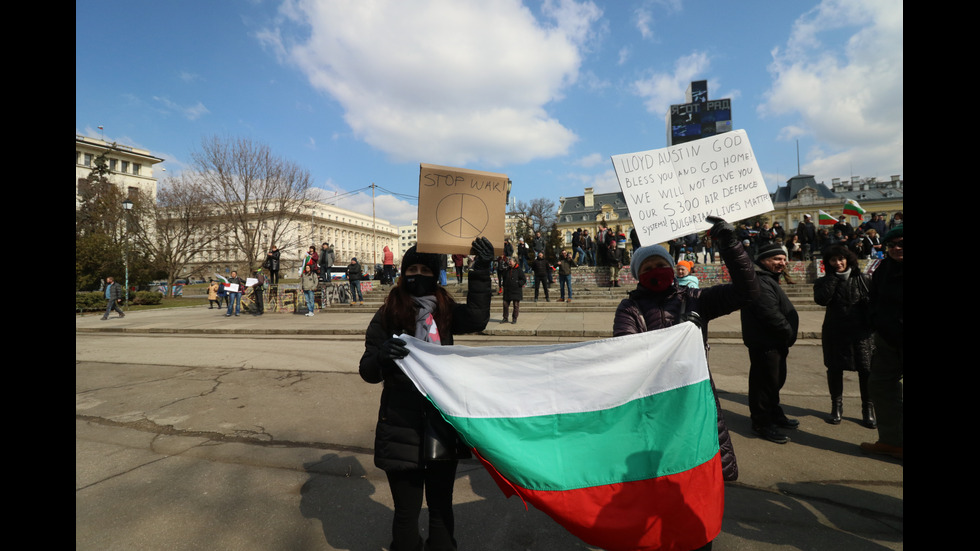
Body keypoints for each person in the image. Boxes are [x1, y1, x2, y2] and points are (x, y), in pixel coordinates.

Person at [358, 238, 493, 551]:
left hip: (440, 425)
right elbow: (367, 370)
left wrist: (481, 269)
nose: (417, 275)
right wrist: (381, 356)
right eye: (412, 269)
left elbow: (477, 317)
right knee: (406, 512)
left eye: (425, 269)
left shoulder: (444, 310)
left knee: (440, 508)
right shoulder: (387, 313)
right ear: (403, 273)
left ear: (436, 275)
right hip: (400, 424)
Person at [614, 216, 758, 484]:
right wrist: (673, 340)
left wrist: (730, 244)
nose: (656, 270)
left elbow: (747, 291)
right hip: (655, 400)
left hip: (695, 394)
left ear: (671, 267)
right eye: (648, 268)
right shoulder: (629, 309)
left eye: (660, 265)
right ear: (637, 276)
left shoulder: (695, 299)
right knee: (662, 471)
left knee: (701, 472)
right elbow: (626, 352)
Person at [741, 243, 800, 444]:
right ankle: (762, 423)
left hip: (774, 342)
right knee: (763, 385)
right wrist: (788, 332)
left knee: (774, 382)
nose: (781, 263)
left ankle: (774, 414)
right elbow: (769, 313)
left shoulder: (768, 279)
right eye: (776, 259)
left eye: (783, 259)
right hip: (765, 342)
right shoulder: (759, 281)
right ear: (763, 260)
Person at [814, 243, 875, 428]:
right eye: (833, 260)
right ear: (828, 263)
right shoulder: (823, 281)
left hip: (862, 333)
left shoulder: (863, 279)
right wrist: (833, 278)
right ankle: (837, 408)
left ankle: (868, 410)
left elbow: (874, 302)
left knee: (866, 371)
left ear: (848, 259)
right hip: (835, 332)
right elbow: (822, 299)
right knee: (834, 369)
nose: (838, 262)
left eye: (841, 259)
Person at [861, 225, 903, 460]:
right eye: (891, 245)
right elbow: (874, 298)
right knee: (880, 385)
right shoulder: (883, 268)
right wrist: (874, 320)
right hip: (887, 339)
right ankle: (892, 441)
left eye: (901, 243)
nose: (896, 248)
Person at [500, 256, 526, 324]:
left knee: (516, 305)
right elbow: (503, 276)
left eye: (510, 261)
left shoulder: (519, 269)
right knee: (505, 304)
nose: (509, 262)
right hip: (507, 290)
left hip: (516, 291)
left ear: (515, 262)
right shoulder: (507, 269)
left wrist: (518, 283)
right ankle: (505, 318)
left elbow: (523, 279)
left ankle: (514, 318)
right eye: (509, 261)